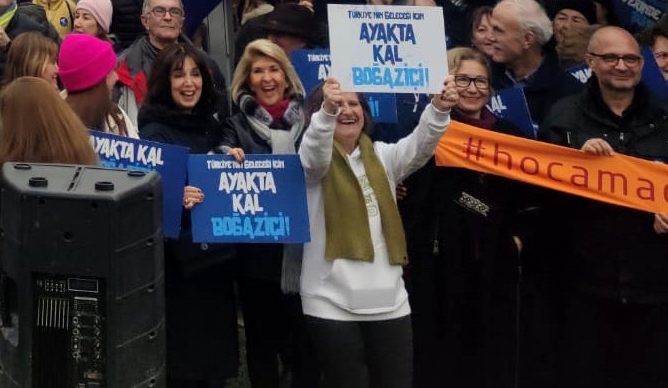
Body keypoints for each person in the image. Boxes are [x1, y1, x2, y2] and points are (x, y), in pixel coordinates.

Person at [538, 25, 668, 387]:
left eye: (631, 58)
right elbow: (542, 204)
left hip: (656, 288)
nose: (622, 66)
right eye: (611, 58)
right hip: (585, 289)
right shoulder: (562, 119)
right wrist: (576, 168)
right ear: (590, 62)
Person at [296, 72, 455, 388]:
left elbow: (421, 146)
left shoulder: (383, 155)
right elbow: (314, 152)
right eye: (338, 104)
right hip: (330, 302)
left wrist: (438, 108)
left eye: (354, 104)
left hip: (390, 301)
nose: (347, 110)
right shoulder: (311, 164)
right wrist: (326, 113)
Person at [400, 47, 530, 388]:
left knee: (492, 347)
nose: (472, 88)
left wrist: (517, 237)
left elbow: (530, 196)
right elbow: (408, 184)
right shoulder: (427, 129)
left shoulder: (510, 133)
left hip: (494, 257)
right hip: (439, 258)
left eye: (480, 81)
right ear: (446, 83)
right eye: (463, 80)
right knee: (441, 349)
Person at [137, 42, 242, 388]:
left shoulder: (213, 126)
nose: (189, 83)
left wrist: (233, 159)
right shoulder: (154, 131)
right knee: (187, 369)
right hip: (181, 273)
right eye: (178, 74)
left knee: (215, 370)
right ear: (164, 82)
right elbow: (144, 197)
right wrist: (171, 195)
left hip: (218, 264)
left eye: (196, 74)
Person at [224, 40, 312, 388]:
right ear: (247, 81)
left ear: (286, 77)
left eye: (273, 69)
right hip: (256, 256)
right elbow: (219, 165)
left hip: (305, 252)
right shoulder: (235, 126)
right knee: (261, 346)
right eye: (257, 71)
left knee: (304, 347)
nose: (266, 77)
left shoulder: (310, 124)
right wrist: (226, 157)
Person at [59, 31, 134, 135]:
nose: (116, 77)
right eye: (110, 72)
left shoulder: (117, 117)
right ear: (93, 83)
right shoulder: (52, 125)